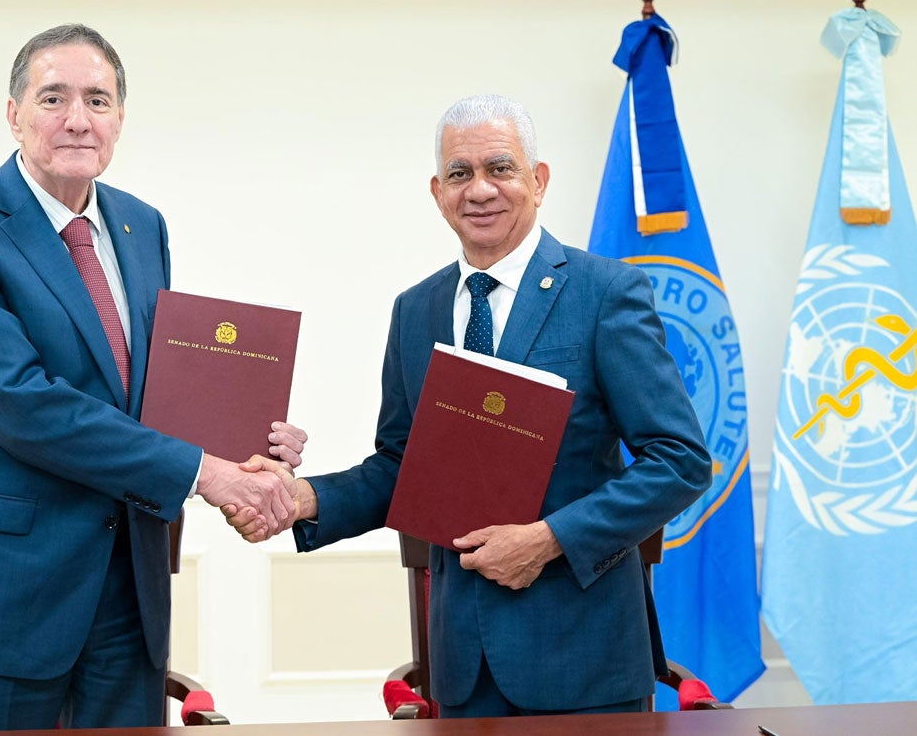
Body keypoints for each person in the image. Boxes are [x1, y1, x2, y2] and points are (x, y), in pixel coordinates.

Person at [227, 94, 712, 716]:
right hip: (461, 668)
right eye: (460, 173)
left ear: (538, 181)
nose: (480, 189)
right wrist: (302, 499)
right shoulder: (416, 309)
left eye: (500, 168)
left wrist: (549, 539)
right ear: (438, 193)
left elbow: (679, 460)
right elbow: (401, 466)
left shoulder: (604, 293)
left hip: (585, 661)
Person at [0, 23, 305, 730]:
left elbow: (154, 393)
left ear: (120, 117)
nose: (77, 119)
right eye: (53, 98)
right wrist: (208, 472)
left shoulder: (141, 226)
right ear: (14, 114)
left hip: (131, 590)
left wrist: (248, 444)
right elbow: (23, 405)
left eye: (97, 99)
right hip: (2, 595)